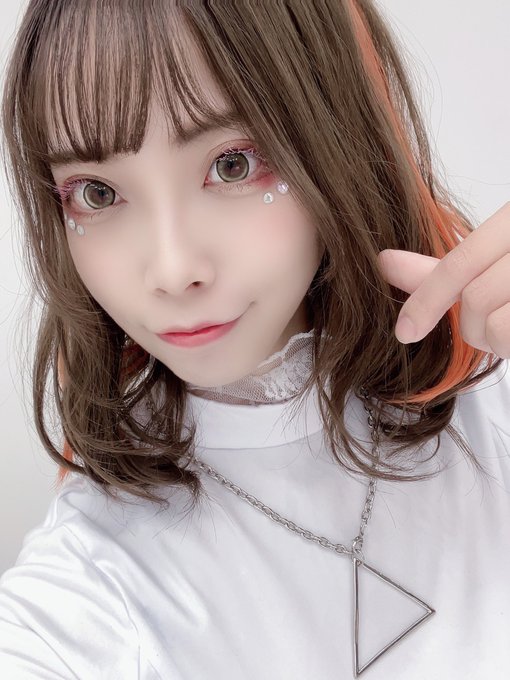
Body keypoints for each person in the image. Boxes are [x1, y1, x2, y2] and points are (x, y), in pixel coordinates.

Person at [0, 0, 508, 677]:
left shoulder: (490, 397)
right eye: (96, 194)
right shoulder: (92, 580)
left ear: (333, 135)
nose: (173, 270)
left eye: (233, 165)